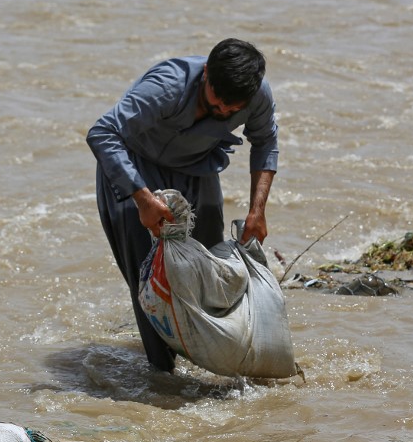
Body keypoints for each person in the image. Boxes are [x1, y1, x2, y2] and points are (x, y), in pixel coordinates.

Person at [87, 38, 279, 372]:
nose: (222, 113)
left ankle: (216, 355)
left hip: (195, 164)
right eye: (216, 103)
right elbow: (103, 132)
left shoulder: (257, 94)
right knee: (149, 272)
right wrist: (144, 200)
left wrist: (257, 210)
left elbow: (265, 142)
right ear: (206, 74)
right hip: (135, 167)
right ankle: (163, 376)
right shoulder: (166, 87)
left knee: (210, 263)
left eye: (232, 111)